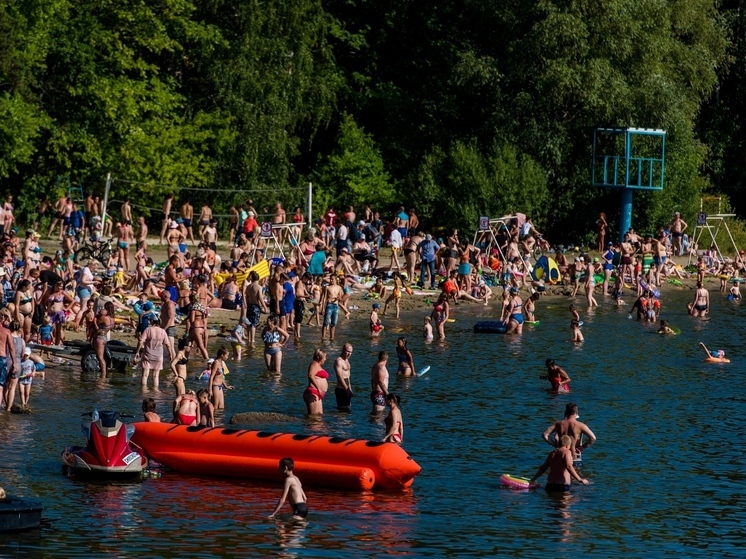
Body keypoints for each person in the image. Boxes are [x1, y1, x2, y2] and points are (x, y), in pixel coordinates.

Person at [135, 317, 174, 389]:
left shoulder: (148, 330)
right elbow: (168, 344)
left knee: (145, 375)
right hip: (158, 356)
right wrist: (170, 354)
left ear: (152, 321)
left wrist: (137, 352)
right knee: (156, 376)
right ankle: (155, 391)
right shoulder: (162, 331)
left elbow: (141, 341)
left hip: (147, 355)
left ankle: (144, 391)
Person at [303, 349, 329, 414]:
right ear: (319, 357)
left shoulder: (318, 366)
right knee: (314, 417)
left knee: (319, 417)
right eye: (324, 357)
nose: (325, 359)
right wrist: (319, 388)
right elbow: (311, 375)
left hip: (317, 393)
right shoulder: (314, 364)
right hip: (313, 392)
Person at [334, 343, 354, 411]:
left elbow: (348, 377)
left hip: (347, 389)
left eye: (351, 352)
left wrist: (350, 389)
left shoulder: (347, 360)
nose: (349, 354)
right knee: (342, 412)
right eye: (347, 351)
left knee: (347, 411)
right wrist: (347, 389)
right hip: (341, 389)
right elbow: (339, 377)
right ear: (343, 350)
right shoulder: (339, 361)